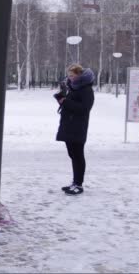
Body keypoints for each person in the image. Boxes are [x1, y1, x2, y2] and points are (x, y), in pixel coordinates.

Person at [56, 64, 95, 195]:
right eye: (69, 76)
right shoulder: (73, 87)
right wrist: (61, 99)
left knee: (78, 155)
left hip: (78, 127)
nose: (70, 78)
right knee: (73, 155)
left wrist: (65, 102)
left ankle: (79, 184)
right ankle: (75, 182)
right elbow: (70, 104)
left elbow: (84, 108)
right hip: (69, 125)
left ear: (79, 75)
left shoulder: (86, 89)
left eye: (72, 76)